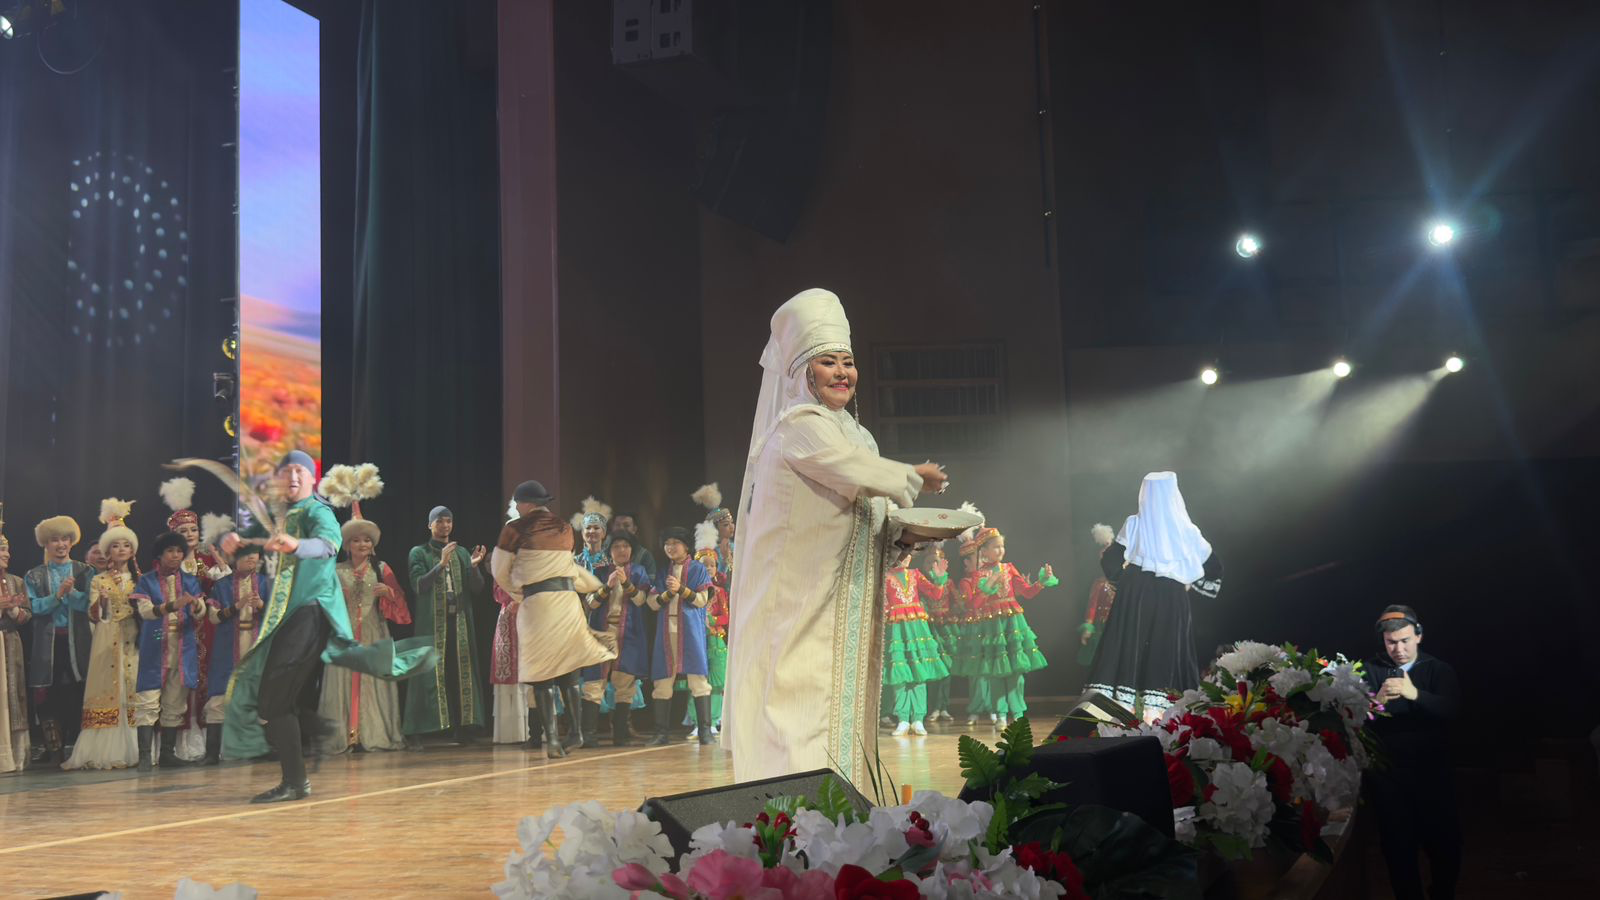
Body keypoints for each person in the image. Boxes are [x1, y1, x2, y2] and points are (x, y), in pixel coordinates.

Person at [724, 288, 947, 789]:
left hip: (839, 604)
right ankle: (799, 821)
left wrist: (905, 536)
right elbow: (849, 470)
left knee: (839, 716)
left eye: (848, 362)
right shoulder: (798, 426)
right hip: (798, 608)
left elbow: (867, 512)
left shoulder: (856, 433)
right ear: (801, 372)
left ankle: (844, 818)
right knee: (801, 715)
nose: (842, 372)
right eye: (828, 362)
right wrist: (912, 475)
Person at [217, 450, 437, 803]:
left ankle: (297, 778)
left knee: (274, 699)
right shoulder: (282, 515)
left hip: (311, 613)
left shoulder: (318, 512)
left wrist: (297, 545)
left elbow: (327, 545)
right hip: (288, 617)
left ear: (312, 479)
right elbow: (250, 536)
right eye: (286, 471)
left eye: (299, 471)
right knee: (270, 700)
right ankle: (315, 738)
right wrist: (232, 541)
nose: (292, 477)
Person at [490, 480, 613, 759]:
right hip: (568, 602)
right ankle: (576, 732)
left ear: (525, 504)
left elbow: (499, 571)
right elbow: (568, 567)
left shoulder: (515, 529)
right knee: (569, 670)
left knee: (541, 673)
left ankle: (554, 740)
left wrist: (519, 594)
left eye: (518, 503)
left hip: (539, 604)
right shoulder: (565, 528)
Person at [1084, 472, 1220, 720]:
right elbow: (1213, 567)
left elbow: (1111, 559)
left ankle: (1123, 714)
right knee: (1165, 646)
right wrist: (1188, 581)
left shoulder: (1134, 523)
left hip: (1136, 593)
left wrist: (1122, 581)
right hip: (1172, 596)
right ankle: (1157, 714)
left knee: (1131, 644)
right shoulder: (1187, 529)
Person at [1362, 606, 1462, 900]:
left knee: (1445, 846)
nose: (1399, 649)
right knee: (1397, 850)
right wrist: (1376, 703)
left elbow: (1452, 709)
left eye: (1405, 640)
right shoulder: (1368, 670)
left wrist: (1415, 694)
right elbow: (1354, 721)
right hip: (1389, 778)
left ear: (1419, 636)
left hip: (1433, 775)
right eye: (1391, 642)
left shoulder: (1437, 669)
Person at [319, 505, 410, 754]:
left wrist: (389, 593)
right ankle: (345, 736)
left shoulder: (382, 569)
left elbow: (402, 607)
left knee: (372, 682)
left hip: (374, 634)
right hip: (344, 636)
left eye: (367, 540)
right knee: (343, 682)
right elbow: (323, 604)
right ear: (347, 545)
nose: (362, 544)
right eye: (356, 540)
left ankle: (373, 733)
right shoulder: (336, 571)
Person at [62, 500, 142, 770]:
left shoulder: (140, 579)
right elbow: (94, 615)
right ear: (108, 551)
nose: (121, 549)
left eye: (126, 545)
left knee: (133, 688)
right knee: (109, 689)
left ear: (132, 550)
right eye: (116, 545)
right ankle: (105, 750)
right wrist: (103, 602)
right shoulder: (99, 580)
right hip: (108, 640)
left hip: (133, 639)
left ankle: (137, 748)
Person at [954, 525, 1055, 728]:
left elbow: (1026, 592)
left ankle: (1017, 713)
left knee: (1015, 670)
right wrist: (989, 585)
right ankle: (1000, 714)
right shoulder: (978, 575)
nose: (1000, 550)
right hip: (992, 627)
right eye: (996, 547)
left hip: (1012, 624)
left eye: (1002, 546)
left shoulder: (1009, 568)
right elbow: (973, 605)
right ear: (984, 551)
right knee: (996, 672)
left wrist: (1041, 581)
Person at [405, 506, 487, 743]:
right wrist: (441, 564)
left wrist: (474, 567)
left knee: (461, 673)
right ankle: (420, 730)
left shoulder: (461, 552)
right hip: (432, 623)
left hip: (459, 622)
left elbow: (477, 588)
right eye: (440, 521)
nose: (445, 525)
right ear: (429, 525)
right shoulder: (419, 552)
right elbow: (419, 585)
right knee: (428, 673)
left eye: (449, 521)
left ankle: (465, 728)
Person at [25, 514, 93, 765]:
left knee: (78, 692)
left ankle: (77, 748)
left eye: (65, 539)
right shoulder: (34, 575)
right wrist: (57, 596)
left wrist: (71, 592)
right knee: (47, 694)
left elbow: (89, 604)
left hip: (78, 642)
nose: (61, 544)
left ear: (72, 541)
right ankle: (54, 749)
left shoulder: (85, 571)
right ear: (46, 543)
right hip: (48, 643)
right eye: (54, 540)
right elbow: (33, 607)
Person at [645, 527, 715, 747]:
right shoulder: (663, 571)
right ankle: (661, 733)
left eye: (675, 542)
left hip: (690, 630)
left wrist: (681, 589)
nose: (671, 547)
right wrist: (668, 593)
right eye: (667, 543)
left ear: (686, 546)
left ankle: (705, 731)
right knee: (662, 680)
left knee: (698, 679)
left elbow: (702, 600)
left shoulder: (697, 569)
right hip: (666, 631)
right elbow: (652, 603)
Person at [203, 545, 270, 764]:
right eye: (245, 554)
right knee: (220, 696)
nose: (251, 557)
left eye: (254, 553)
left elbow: (278, 617)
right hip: (227, 646)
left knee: (258, 693)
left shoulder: (266, 583)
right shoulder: (222, 585)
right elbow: (213, 617)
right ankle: (212, 753)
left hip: (256, 645)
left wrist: (261, 605)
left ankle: (260, 750)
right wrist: (237, 606)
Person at [584, 531, 652, 747]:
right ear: (609, 550)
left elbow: (641, 601)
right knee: (595, 682)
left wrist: (627, 583)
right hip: (601, 633)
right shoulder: (599, 572)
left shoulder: (639, 571)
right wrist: (608, 586)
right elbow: (592, 603)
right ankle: (588, 735)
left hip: (629, 633)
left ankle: (620, 735)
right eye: (617, 546)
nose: (622, 550)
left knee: (625, 684)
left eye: (626, 546)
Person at [882, 548, 951, 736]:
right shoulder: (886, 577)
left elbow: (935, 594)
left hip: (917, 629)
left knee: (919, 671)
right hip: (897, 630)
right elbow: (882, 604)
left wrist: (939, 578)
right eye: (901, 552)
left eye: (908, 553)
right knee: (900, 673)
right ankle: (903, 719)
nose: (906, 557)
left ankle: (918, 719)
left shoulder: (915, 574)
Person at [0, 508, 35, 772]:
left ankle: (15, 753)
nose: (6, 555)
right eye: (2, 550)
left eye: (7, 550)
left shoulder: (16, 581)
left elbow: (26, 616)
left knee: (13, 693)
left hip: (11, 642)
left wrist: (12, 609)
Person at [919, 545, 956, 723]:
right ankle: (933, 707)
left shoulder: (948, 582)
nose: (932, 565)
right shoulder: (921, 583)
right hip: (928, 629)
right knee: (932, 669)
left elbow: (958, 601)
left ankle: (943, 707)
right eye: (929, 562)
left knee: (947, 669)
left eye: (936, 561)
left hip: (946, 628)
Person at [1077, 523, 1118, 667]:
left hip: (1120, 625)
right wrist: (1088, 628)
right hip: (1102, 628)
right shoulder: (1099, 584)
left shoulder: (1126, 582)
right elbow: (1092, 607)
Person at [608, 513, 657, 581]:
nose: (621, 528)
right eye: (618, 525)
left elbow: (650, 584)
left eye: (626, 525)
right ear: (612, 528)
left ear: (634, 529)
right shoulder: (603, 553)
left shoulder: (645, 556)